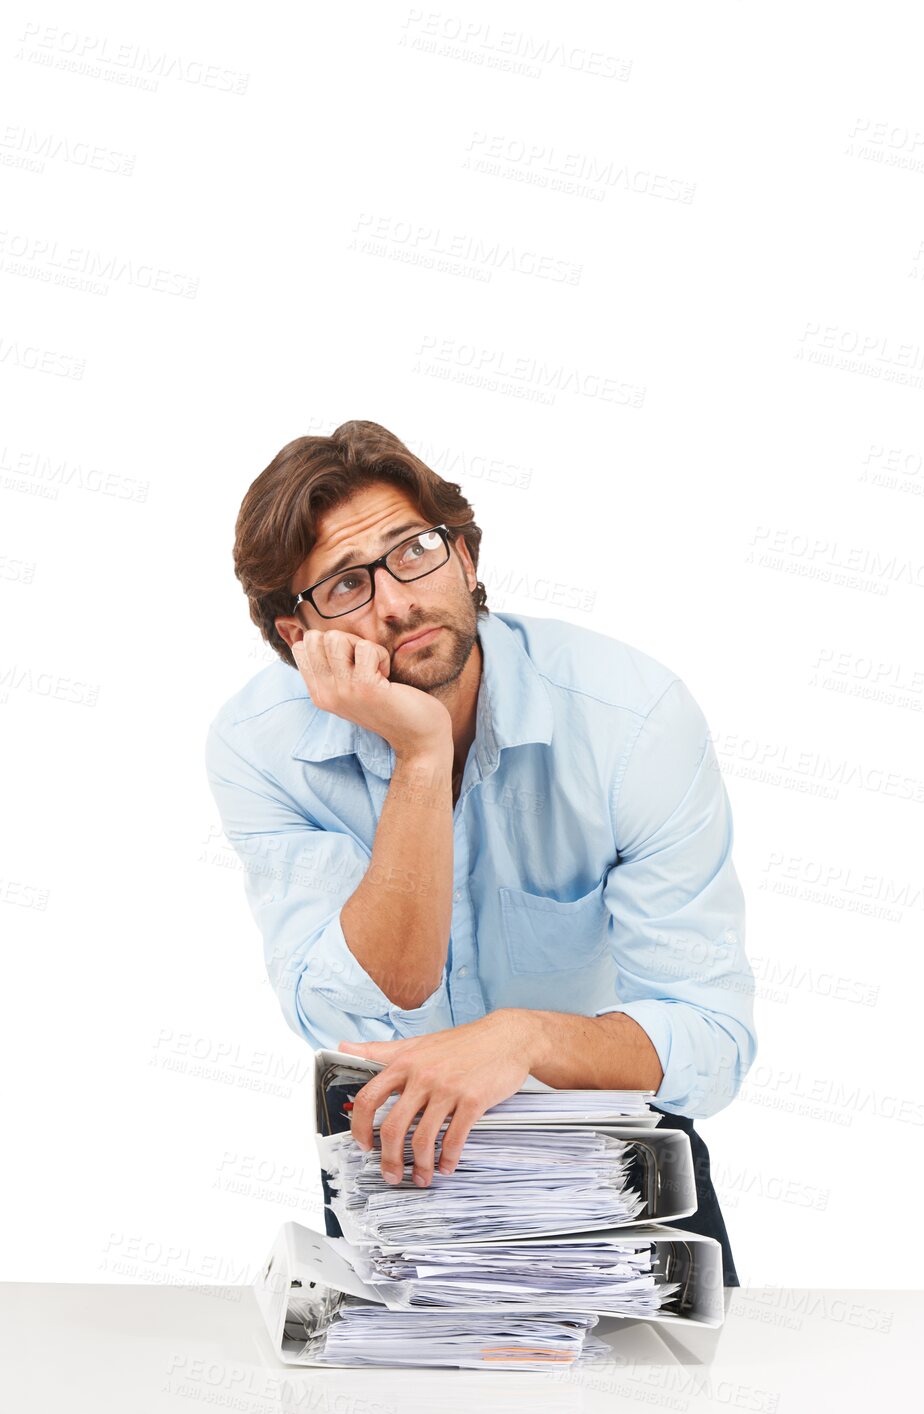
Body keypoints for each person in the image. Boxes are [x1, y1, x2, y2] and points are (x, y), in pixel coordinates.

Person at [205, 420, 755, 1282]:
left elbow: (711, 1038)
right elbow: (357, 1009)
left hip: (611, 1155)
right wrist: (419, 757)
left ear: (464, 554)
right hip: (397, 1164)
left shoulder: (631, 719)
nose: (395, 602)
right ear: (297, 635)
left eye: (414, 552)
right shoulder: (262, 745)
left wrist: (523, 1039)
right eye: (346, 585)